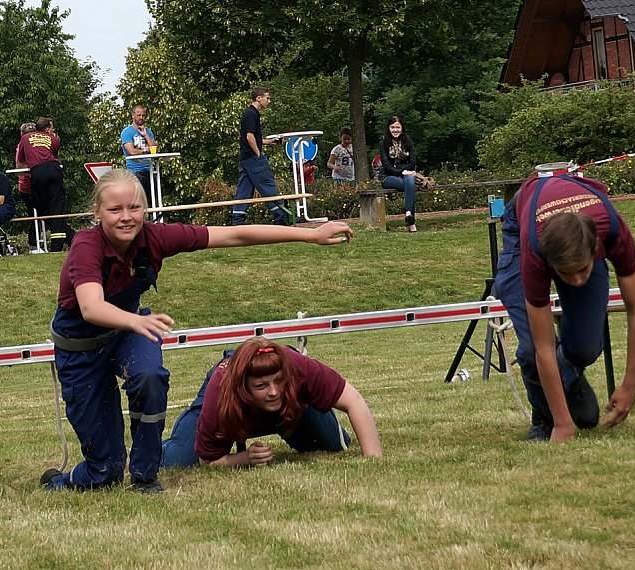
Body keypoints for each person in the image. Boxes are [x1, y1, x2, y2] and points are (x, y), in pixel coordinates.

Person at [40, 169, 353, 493]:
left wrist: (310, 234)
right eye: (114, 210)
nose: (126, 217)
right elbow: (91, 306)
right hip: (81, 347)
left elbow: (233, 236)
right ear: (97, 212)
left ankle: (146, 477)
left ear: (145, 209)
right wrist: (136, 321)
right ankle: (64, 481)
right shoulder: (86, 245)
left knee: (149, 376)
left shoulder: (156, 237)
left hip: (128, 334)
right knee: (104, 475)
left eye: (134, 208)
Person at [494, 165, 635, 443]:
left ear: (596, 250)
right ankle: (545, 417)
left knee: (586, 347)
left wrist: (630, 386)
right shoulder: (535, 255)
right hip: (523, 223)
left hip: (578, 218)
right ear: (550, 265)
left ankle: (567, 375)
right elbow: (543, 346)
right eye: (566, 274)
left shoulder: (612, 230)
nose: (577, 281)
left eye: (583, 270)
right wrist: (563, 425)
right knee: (531, 350)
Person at [161, 338, 382, 468]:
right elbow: (207, 461)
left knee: (332, 446)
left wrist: (374, 460)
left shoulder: (299, 368)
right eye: (261, 385)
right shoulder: (221, 391)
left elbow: (354, 400)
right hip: (231, 409)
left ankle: (318, 419)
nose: (274, 391)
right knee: (179, 460)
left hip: (291, 409)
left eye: (279, 381)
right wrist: (244, 458)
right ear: (243, 386)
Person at [232, 86, 290, 226]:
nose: (269, 101)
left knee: (244, 190)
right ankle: (281, 216)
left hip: (245, 158)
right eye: (267, 98)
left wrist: (269, 142)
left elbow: (253, 138)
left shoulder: (248, 113)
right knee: (267, 185)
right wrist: (258, 154)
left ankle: (237, 221)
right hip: (253, 158)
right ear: (259, 98)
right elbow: (249, 137)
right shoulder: (253, 114)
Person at [17, 116, 75, 252]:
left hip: (38, 172)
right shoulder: (53, 139)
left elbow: (21, 160)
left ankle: (66, 241)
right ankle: (62, 244)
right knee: (57, 208)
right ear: (48, 128)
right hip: (54, 170)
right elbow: (54, 154)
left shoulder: (25, 139)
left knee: (41, 208)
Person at [378, 116, 418, 232]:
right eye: (392, 127)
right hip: (387, 177)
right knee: (410, 186)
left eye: (397, 127)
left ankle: (408, 214)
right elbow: (386, 166)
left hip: (405, 175)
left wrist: (403, 170)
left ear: (402, 128)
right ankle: (411, 222)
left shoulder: (408, 141)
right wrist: (401, 170)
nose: (395, 130)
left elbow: (413, 162)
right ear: (388, 128)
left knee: (409, 181)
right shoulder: (383, 143)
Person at [120, 104, 157, 208]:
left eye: (143, 115)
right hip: (135, 172)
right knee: (138, 204)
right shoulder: (127, 132)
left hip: (149, 170)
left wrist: (146, 135)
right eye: (139, 115)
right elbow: (131, 151)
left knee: (154, 203)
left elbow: (154, 149)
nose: (141, 118)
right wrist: (146, 149)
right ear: (133, 115)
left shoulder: (148, 132)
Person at [14, 122, 39, 252]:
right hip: (27, 186)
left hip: (34, 185)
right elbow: (20, 167)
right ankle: (34, 244)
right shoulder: (21, 148)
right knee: (35, 214)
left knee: (38, 215)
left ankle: (36, 243)